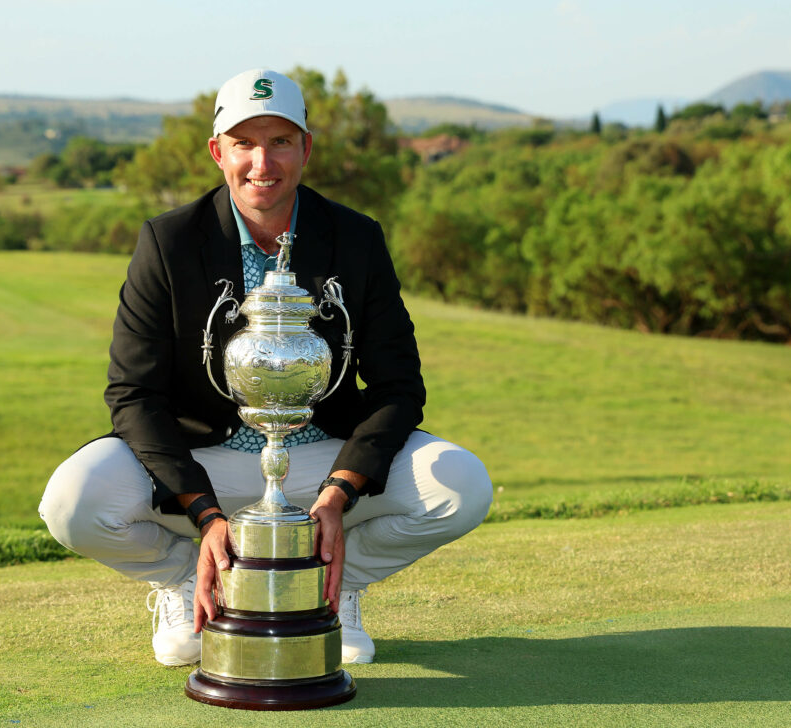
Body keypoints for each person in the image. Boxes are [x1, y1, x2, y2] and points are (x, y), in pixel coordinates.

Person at [39, 68, 493, 667]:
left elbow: (399, 387)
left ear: (306, 147)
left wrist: (339, 492)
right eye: (244, 143)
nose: (263, 162)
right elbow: (132, 395)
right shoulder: (168, 241)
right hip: (204, 461)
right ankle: (192, 581)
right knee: (71, 501)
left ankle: (331, 585)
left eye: (280, 141)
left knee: (462, 484)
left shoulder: (356, 239)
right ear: (216, 151)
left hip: (320, 461)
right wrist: (204, 516)